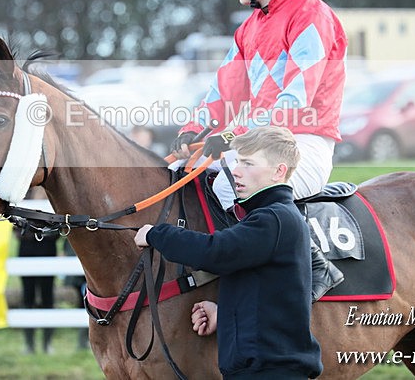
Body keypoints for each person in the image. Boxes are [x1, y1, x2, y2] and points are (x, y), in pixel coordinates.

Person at [170, 0, 346, 299]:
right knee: (176, 171)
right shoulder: (248, 27)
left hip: (303, 144)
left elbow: (292, 101)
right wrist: (194, 128)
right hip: (255, 142)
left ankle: (314, 264)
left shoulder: (311, 15)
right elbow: (224, 92)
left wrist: (232, 137)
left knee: (233, 179)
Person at [136, 126, 322, 378]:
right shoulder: (270, 217)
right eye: (237, 162)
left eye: (248, 163)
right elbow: (264, 296)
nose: (236, 171)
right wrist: (225, 316)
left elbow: (215, 253)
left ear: (279, 171)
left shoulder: (272, 219)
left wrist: (156, 234)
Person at [15, 228, 58, 354]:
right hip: (26, 250)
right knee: (28, 297)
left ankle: (47, 343)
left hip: (47, 248)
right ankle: (29, 344)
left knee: (48, 297)